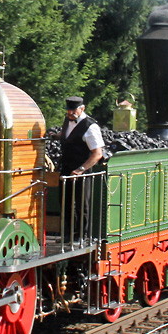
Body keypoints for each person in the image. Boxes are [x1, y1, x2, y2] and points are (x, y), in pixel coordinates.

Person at [59, 96, 104, 242]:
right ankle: (68, 234)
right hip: (66, 167)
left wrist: (81, 169)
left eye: (73, 110)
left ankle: (81, 236)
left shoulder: (91, 127)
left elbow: (97, 154)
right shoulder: (67, 120)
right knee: (65, 202)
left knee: (81, 204)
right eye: (68, 110)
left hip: (82, 171)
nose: (70, 113)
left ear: (82, 108)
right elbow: (70, 137)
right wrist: (56, 137)